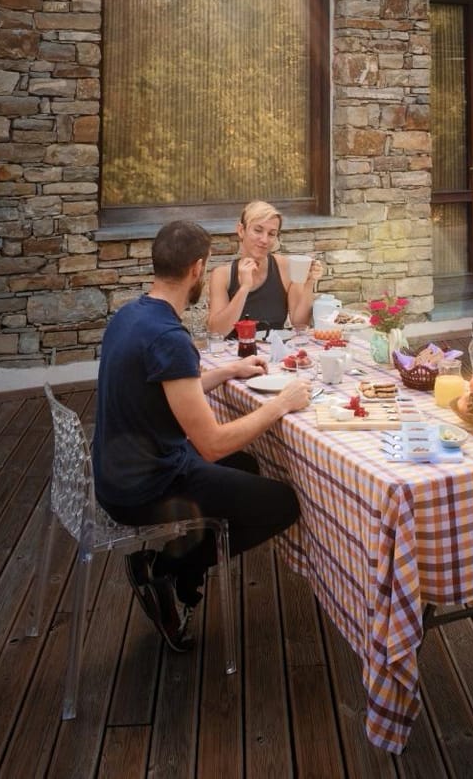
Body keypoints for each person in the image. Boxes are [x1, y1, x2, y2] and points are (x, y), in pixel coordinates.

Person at [92, 219, 311, 653]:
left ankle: (172, 571)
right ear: (197, 269)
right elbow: (211, 443)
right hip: (143, 486)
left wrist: (227, 370)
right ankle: (169, 570)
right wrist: (280, 405)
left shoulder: (132, 315)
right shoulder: (169, 337)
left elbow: (172, 387)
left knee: (247, 465)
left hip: (120, 467)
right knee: (283, 502)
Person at [207, 200, 323, 337]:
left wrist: (309, 282)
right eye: (258, 230)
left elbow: (299, 323)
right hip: (238, 354)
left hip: (275, 353)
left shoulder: (284, 267)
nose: (264, 240)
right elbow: (216, 332)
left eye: (271, 234)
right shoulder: (222, 275)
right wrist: (244, 288)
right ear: (241, 230)